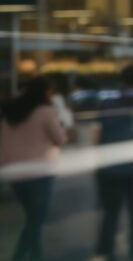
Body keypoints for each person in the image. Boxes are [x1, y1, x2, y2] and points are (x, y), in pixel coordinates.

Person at [0, 76, 68, 261]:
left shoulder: (11, 112)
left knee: (32, 219)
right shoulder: (45, 111)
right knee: (35, 222)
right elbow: (60, 139)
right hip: (40, 173)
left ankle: (36, 256)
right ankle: (18, 257)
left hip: (15, 174)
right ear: (45, 92)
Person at [94, 64, 133, 261]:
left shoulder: (108, 104)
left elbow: (100, 132)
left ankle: (106, 251)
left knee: (110, 214)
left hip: (110, 167)